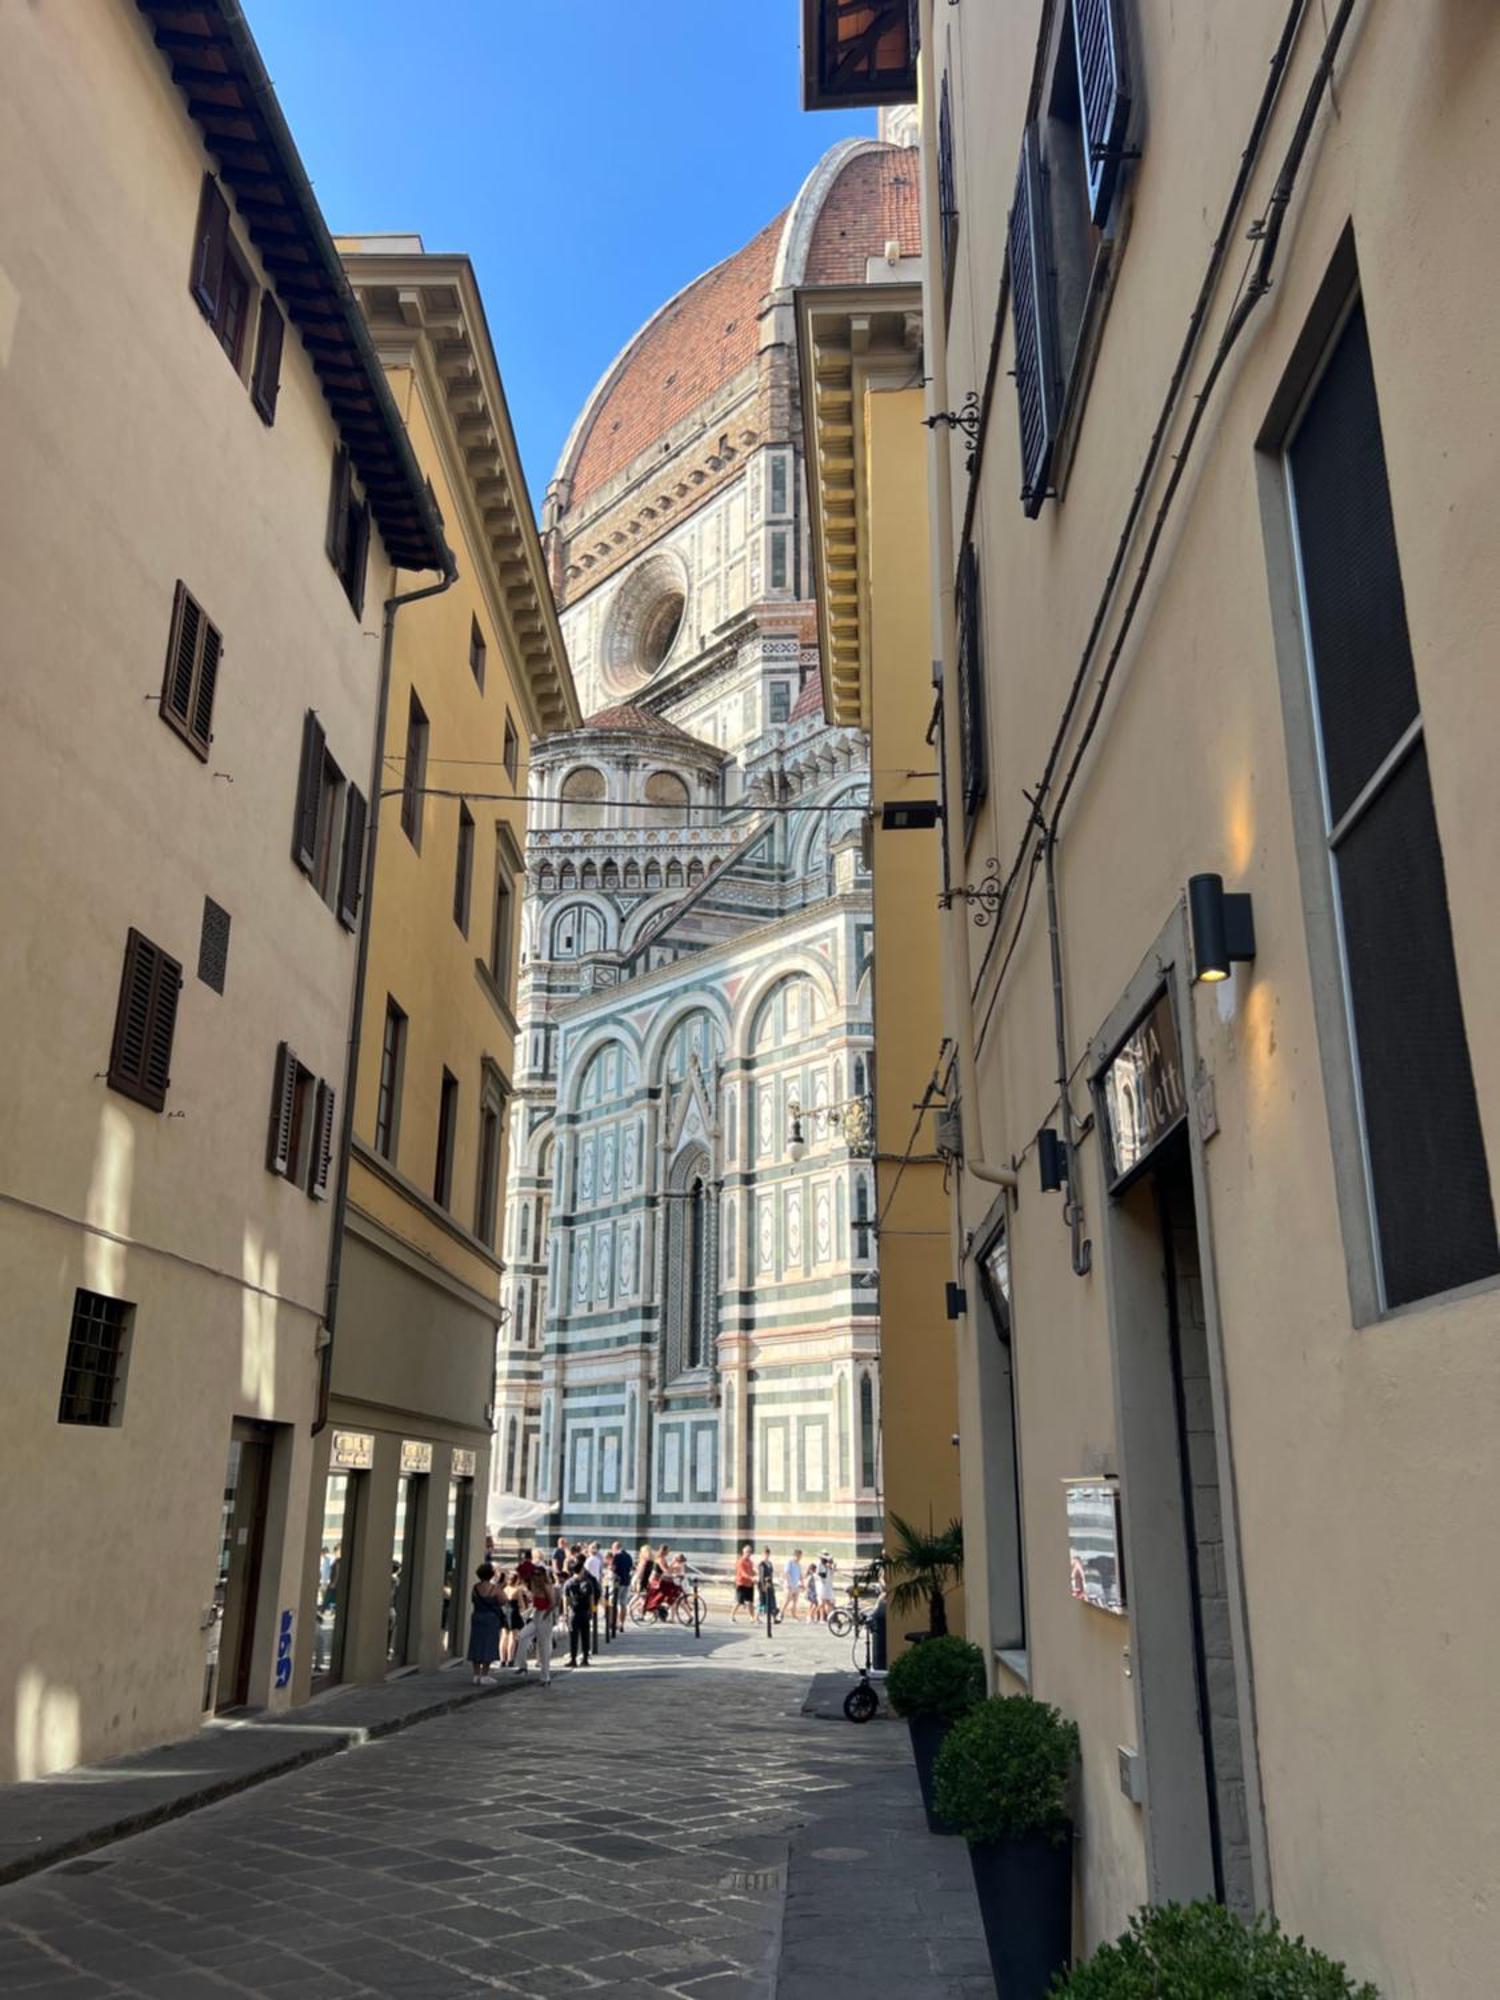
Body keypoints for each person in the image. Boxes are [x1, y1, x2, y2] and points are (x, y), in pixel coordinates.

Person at [512, 1559, 559, 1685]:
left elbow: (553, 1603)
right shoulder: (533, 1584)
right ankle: (522, 1666)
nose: (534, 1577)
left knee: (544, 1646)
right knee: (522, 1636)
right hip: (538, 1614)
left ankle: (545, 1677)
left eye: (536, 1575)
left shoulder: (546, 1585)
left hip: (544, 1615)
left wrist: (546, 1615)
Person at [466, 1563, 504, 1686]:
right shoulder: (495, 1588)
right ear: (491, 1574)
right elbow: (504, 1600)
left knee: (476, 1643)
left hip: (477, 1617)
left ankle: (476, 1674)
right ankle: (485, 1674)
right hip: (491, 1618)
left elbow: (473, 1600)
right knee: (489, 1644)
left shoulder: (475, 1587)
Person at [565, 1555, 600, 1667]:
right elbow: (592, 1599)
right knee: (585, 1636)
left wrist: (566, 1613)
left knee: (573, 1637)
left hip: (574, 1612)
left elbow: (566, 1600)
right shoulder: (588, 1583)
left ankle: (573, 1659)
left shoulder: (568, 1583)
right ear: (581, 1570)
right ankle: (585, 1658)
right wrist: (592, 1611)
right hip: (585, 1612)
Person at [499, 1569, 525, 1668]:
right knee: (512, 1637)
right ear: (517, 1580)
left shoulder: (504, 1589)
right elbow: (521, 1604)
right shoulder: (517, 1590)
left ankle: (502, 1659)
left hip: (504, 1612)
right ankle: (510, 1659)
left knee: (503, 1636)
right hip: (514, 1613)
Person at [732, 1543, 756, 1622]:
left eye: (750, 1552)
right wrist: (751, 1577)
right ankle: (732, 1615)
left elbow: (752, 1571)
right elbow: (742, 1573)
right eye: (747, 1552)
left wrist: (756, 1574)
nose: (749, 1553)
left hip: (749, 1584)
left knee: (750, 1602)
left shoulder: (750, 1562)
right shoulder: (740, 1561)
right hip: (741, 1583)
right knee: (739, 1601)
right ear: (743, 1552)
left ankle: (752, 1617)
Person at [757, 1546, 779, 1624]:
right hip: (763, 1584)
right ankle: (758, 1616)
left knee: (772, 1601)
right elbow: (761, 1576)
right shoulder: (761, 1564)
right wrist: (763, 1586)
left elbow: (771, 1574)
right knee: (762, 1601)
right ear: (762, 1554)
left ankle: (774, 1618)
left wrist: (771, 1584)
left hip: (770, 1584)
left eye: (768, 1553)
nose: (767, 1555)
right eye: (765, 1553)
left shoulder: (770, 1563)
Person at [783, 1548, 804, 1622]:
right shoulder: (789, 1562)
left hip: (796, 1585)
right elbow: (786, 1573)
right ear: (795, 1555)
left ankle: (794, 1614)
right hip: (789, 1585)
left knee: (795, 1600)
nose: (800, 1558)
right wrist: (789, 1583)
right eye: (799, 1556)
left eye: (800, 1556)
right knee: (787, 1600)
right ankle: (781, 1613)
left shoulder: (798, 1564)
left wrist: (802, 1583)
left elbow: (800, 1575)